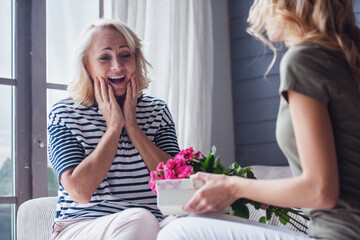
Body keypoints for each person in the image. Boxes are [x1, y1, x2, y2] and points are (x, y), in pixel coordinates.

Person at [157, 0, 360, 239]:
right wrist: (258, 192)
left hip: (338, 234)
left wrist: (233, 186)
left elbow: (320, 191)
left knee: (178, 232)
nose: (257, 8)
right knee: (202, 221)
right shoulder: (347, 56)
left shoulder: (305, 60)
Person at [48, 18, 180, 240]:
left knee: (197, 221)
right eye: (104, 58)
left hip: (154, 223)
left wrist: (134, 128)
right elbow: (80, 192)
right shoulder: (64, 113)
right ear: (86, 65)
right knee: (140, 219)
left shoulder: (157, 110)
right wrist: (114, 128)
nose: (117, 66)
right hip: (83, 225)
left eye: (125, 55)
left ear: (136, 60)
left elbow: (176, 185)